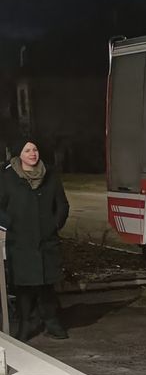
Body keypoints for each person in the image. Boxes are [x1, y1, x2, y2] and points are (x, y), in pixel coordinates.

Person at [0, 138, 69, 340]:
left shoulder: (50, 175)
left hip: (46, 240)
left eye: (35, 149)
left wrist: (54, 224)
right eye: (27, 150)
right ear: (18, 154)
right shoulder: (7, 177)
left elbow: (62, 205)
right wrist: (8, 226)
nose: (33, 153)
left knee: (47, 284)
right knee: (24, 287)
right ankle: (25, 324)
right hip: (20, 241)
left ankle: (51, 321)